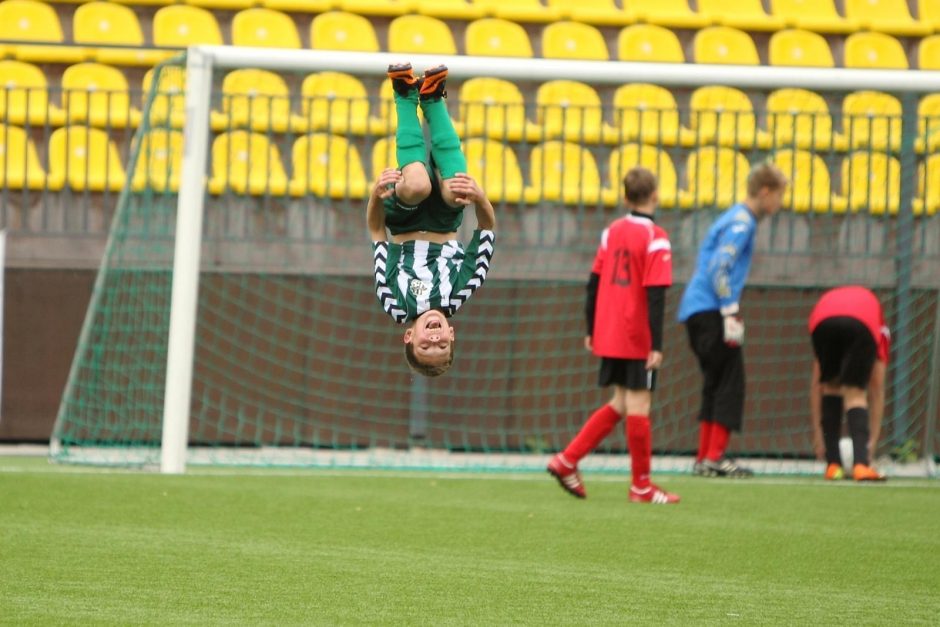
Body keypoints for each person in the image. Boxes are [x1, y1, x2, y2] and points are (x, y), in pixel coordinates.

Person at [548, 167, 679, 504]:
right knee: (639, 403)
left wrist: (592, 328)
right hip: (636, 332)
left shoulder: (611, 232)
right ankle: (642, 487)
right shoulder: (656, 236)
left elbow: (593, 282)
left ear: (624, 198)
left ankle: (567, 460)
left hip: (610, 329)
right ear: (656, 196)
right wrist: (656, 344)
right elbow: (656, 294)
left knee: (622, 402)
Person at [367, 63, 496, 377]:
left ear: (409, 336)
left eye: (427, 346)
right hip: (443, 221)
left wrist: (375, 194)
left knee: (418, 185)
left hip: (403, 220)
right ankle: (434, 98)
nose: (435, 339)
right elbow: (487, 229)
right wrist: (480, 197)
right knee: (457, 191)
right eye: (443, 345)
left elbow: (376, 233)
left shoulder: (395, 302)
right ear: (452, 335)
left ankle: (405, 96)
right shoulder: (461, 290)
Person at [677, 163, 788, 478]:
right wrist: (729, 308)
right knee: (730, 381)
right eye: (779, 196)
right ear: (765, 192)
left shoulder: (731, 217)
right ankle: (715, 457)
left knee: (715, 381)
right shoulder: (742, 223)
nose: (779, 205)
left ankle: (704, 458)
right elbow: (719, 267)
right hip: (712, 309)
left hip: (695, 308)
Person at [808, 286, 889, 481]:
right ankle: (861, 464)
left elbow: (818, 385)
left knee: (831, 387)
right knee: (854, 393)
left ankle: (832, 465)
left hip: (820, 320)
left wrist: (819, 437)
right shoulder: (880, 326)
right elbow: (876, 387)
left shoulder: (832, 303)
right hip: (860, 324)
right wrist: (871, 445)